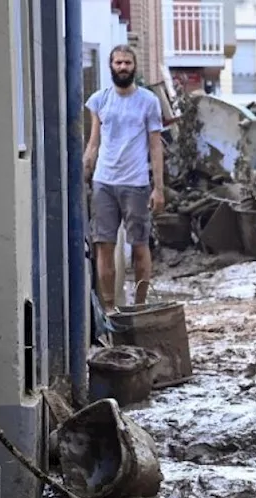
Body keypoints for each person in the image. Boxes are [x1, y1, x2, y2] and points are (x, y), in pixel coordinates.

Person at [83, 44, 165, 311]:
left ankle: (139, 307)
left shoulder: (148, 102)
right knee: (103, 246)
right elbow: (94, 141)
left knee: (140, 246)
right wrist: (86, 170)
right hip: (104, 182)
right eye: (118, 63)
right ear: (111, 66)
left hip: (137, 184)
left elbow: (155, 146)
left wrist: (159, 188)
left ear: (134, 66)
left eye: (127, 63)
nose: (122, 67)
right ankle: (109, 309)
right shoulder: (99, 100)